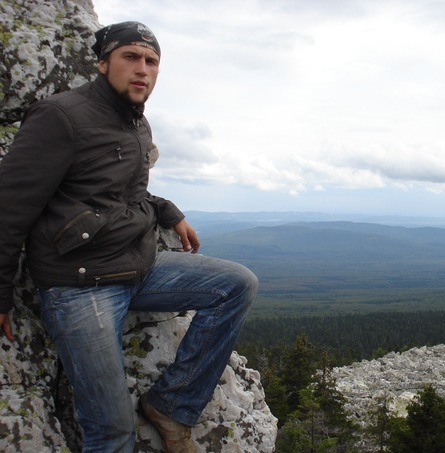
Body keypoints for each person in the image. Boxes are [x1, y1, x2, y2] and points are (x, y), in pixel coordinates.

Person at [0, 21, 258, 452]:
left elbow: (121, 192)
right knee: (113, 432)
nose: (143, 69)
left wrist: (168, 211)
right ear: (103, 63)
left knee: (237, 284)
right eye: (131, 57)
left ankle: (172, 406)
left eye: (152, 61)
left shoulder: (137, 123)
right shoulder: (60, 116)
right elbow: (9, 205)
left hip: (135, 267)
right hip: (80, 285)